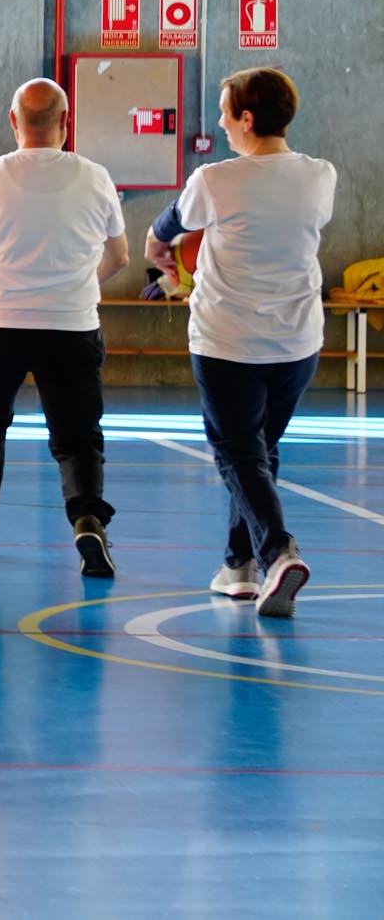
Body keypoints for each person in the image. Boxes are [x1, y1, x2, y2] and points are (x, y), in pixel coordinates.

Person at [146, 68, 335, 618]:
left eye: (228, 113)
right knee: (257, 455)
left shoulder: (215, 179)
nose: (223, 124)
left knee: (238, 453)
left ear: (247, 120)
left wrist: (160, 249)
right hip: (298, 343)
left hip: (228, 342)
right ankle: (239, 566)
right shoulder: (320, 176)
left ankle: (277, 552)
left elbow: (171, 223)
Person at [0, 79, 129, 575]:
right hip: (71, 324)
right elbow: (119, 257)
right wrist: (77, 285)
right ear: (66, 122)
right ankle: (88, 519)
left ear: (13, 123)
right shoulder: (96, 178)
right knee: (77, 434)